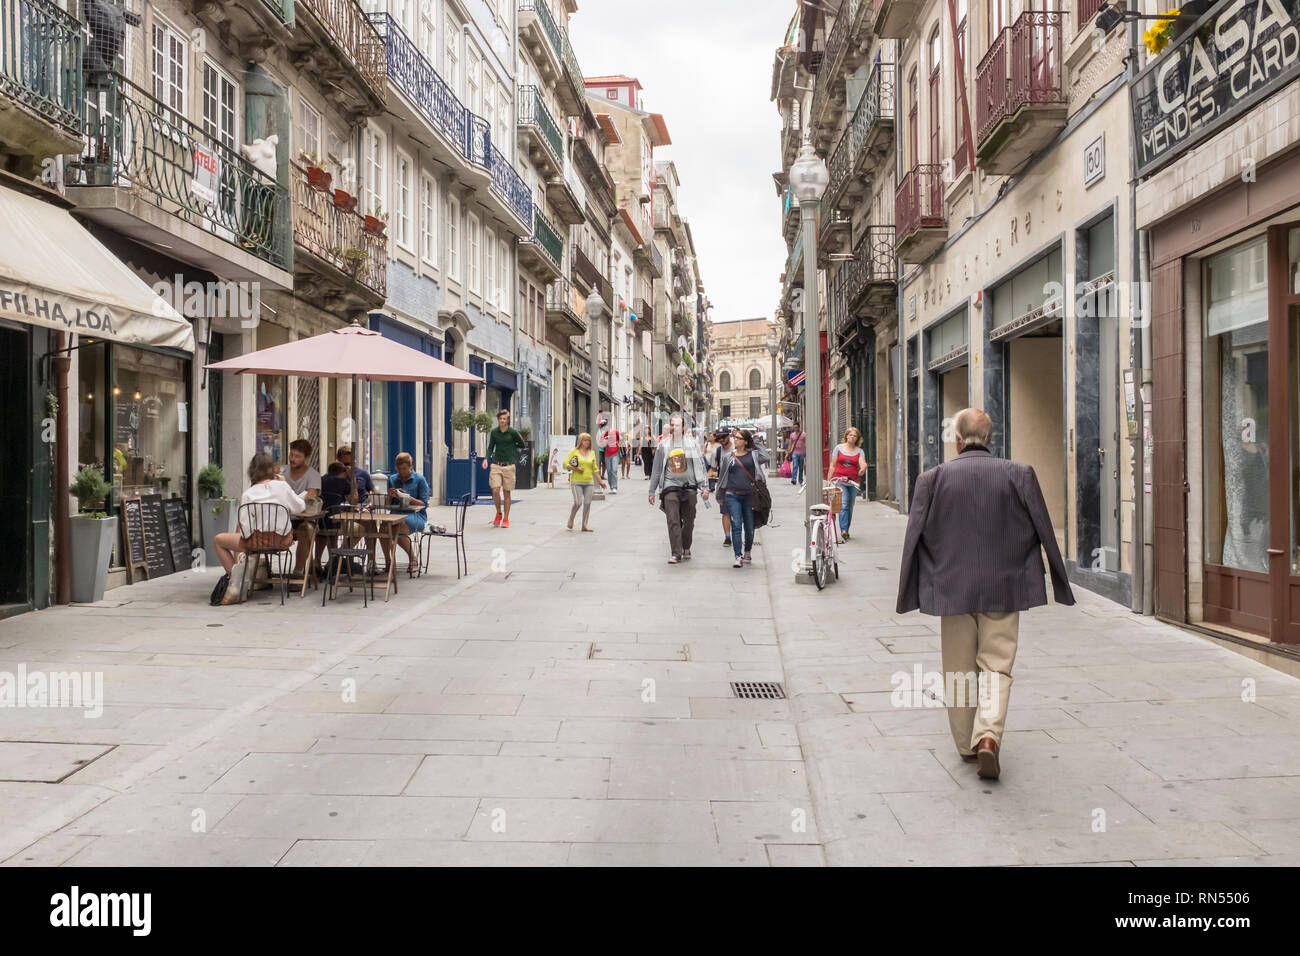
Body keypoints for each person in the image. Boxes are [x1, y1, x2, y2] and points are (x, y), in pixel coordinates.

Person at [896, 408, 1075, 780]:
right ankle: (989, 734)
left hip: (952, 587)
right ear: (989, 439)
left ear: (957, 439)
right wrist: (1056, 579)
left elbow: (915, 536)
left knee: (959, 669)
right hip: (1004, 587)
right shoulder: (1019, 474)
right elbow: (1042, 527)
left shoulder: (933, 479)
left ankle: (966, 745)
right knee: (997, 665)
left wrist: (914, 586)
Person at [214, 453, 305, 603]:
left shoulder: (248, 493)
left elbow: (245, 528)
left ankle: (235, 581)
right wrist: (285, 484)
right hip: (281, 540)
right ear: (272, 469)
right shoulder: (282, 486)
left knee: (219, 540)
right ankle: (237, 582)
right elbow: (300, 507)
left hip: (254, 542)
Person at [647, 412, 710, 564]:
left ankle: (686, 545)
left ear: (683, 427)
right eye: (672, 425)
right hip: (670, 487)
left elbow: (700, 466)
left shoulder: (692, 444)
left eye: (678, 425)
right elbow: (656, 470)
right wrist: (652, 491)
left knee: (689, 521)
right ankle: (676, 552)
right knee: (673, 520)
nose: (675, 428)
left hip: (690, 487)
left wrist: (704, 486)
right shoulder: (663, 445)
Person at [715, 428, 769, 568]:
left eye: (739, 438)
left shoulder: (753, 456)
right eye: (735, 438)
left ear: (745, 441)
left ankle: (747, 551)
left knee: (750, 527)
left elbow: (766, 457)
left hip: (750, 496)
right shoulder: (728, 457)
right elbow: (722, 477)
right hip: (732, 495)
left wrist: (756, 440)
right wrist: (719, 495)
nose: (735, 440)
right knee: (736, 525)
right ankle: (738, 556)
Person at [482, 409, 525, 527]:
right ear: (498, 420)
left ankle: (506, 518)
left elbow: (522, 444)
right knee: (495, 490)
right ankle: (498, 513)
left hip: (509, 466)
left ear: (507, 420)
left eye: (504, 419)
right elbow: (490, 447)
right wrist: (486, 458)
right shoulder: (494, 432)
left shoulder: (513, 432)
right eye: (500, 419)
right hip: (496, 465)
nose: (502, 420)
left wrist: (512, 447)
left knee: (507, 493)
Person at [388, 452, 430, 569]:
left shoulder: (420, 479)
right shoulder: (392, 479)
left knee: (398, 526)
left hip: (416, 515)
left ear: (411, 467)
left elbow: (424, 504)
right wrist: (390, 496)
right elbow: (388, 504)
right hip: (396, 513)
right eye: (399, 469)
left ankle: (412, 557)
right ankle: (388, 562)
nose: (402, 472)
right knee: (383, 527)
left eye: (405, 468)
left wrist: (409, 498)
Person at [828, 426, 869, 541]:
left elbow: (863, 463)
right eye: (850, 435)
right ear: (846, 436)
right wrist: (829, 479)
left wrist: (863, 468)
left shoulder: (859, 451)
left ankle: (846, 529)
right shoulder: (838, 448)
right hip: (840, 480)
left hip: (853, 482)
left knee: (850, 506)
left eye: (854, 436)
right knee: (844, 504)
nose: (852, 437)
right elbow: (832, 465)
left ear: (857, 439)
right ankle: (843, 530)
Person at [563, 432, 606, 531]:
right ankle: (571, 518)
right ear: (581, 441)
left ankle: (584, 525)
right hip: (576, 482)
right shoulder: (574, 451)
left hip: (589, 482)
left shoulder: (592, 453)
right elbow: (565, 464)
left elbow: (595, 469)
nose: (587, 442)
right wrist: (576, 468)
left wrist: (600, 481)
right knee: (578, 502)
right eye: (585, 440)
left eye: (589, 441)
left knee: (587, 503)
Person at [707, 428, 735, 547]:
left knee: (739, 514)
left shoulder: (737, 448)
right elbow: (713, 469)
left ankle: (738, 534)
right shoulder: (716, 453)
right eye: (719, 438)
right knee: (725, 512)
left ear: (728, 436)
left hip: (739, 485)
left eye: (724, 437)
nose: (721, 440)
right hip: (724, 487)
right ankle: (727, 537)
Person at [601, 422, 621, 494]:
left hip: (615, 454)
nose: (605, 428)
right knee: (609, 471)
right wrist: (605, 441)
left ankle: (614, 487)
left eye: (606, 426)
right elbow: (601, 446)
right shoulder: (603, 435)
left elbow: (621, 439)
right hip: (607, 455)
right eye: (604, 427)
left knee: (614, 470)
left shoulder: (615, 432)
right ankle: (611, 487)